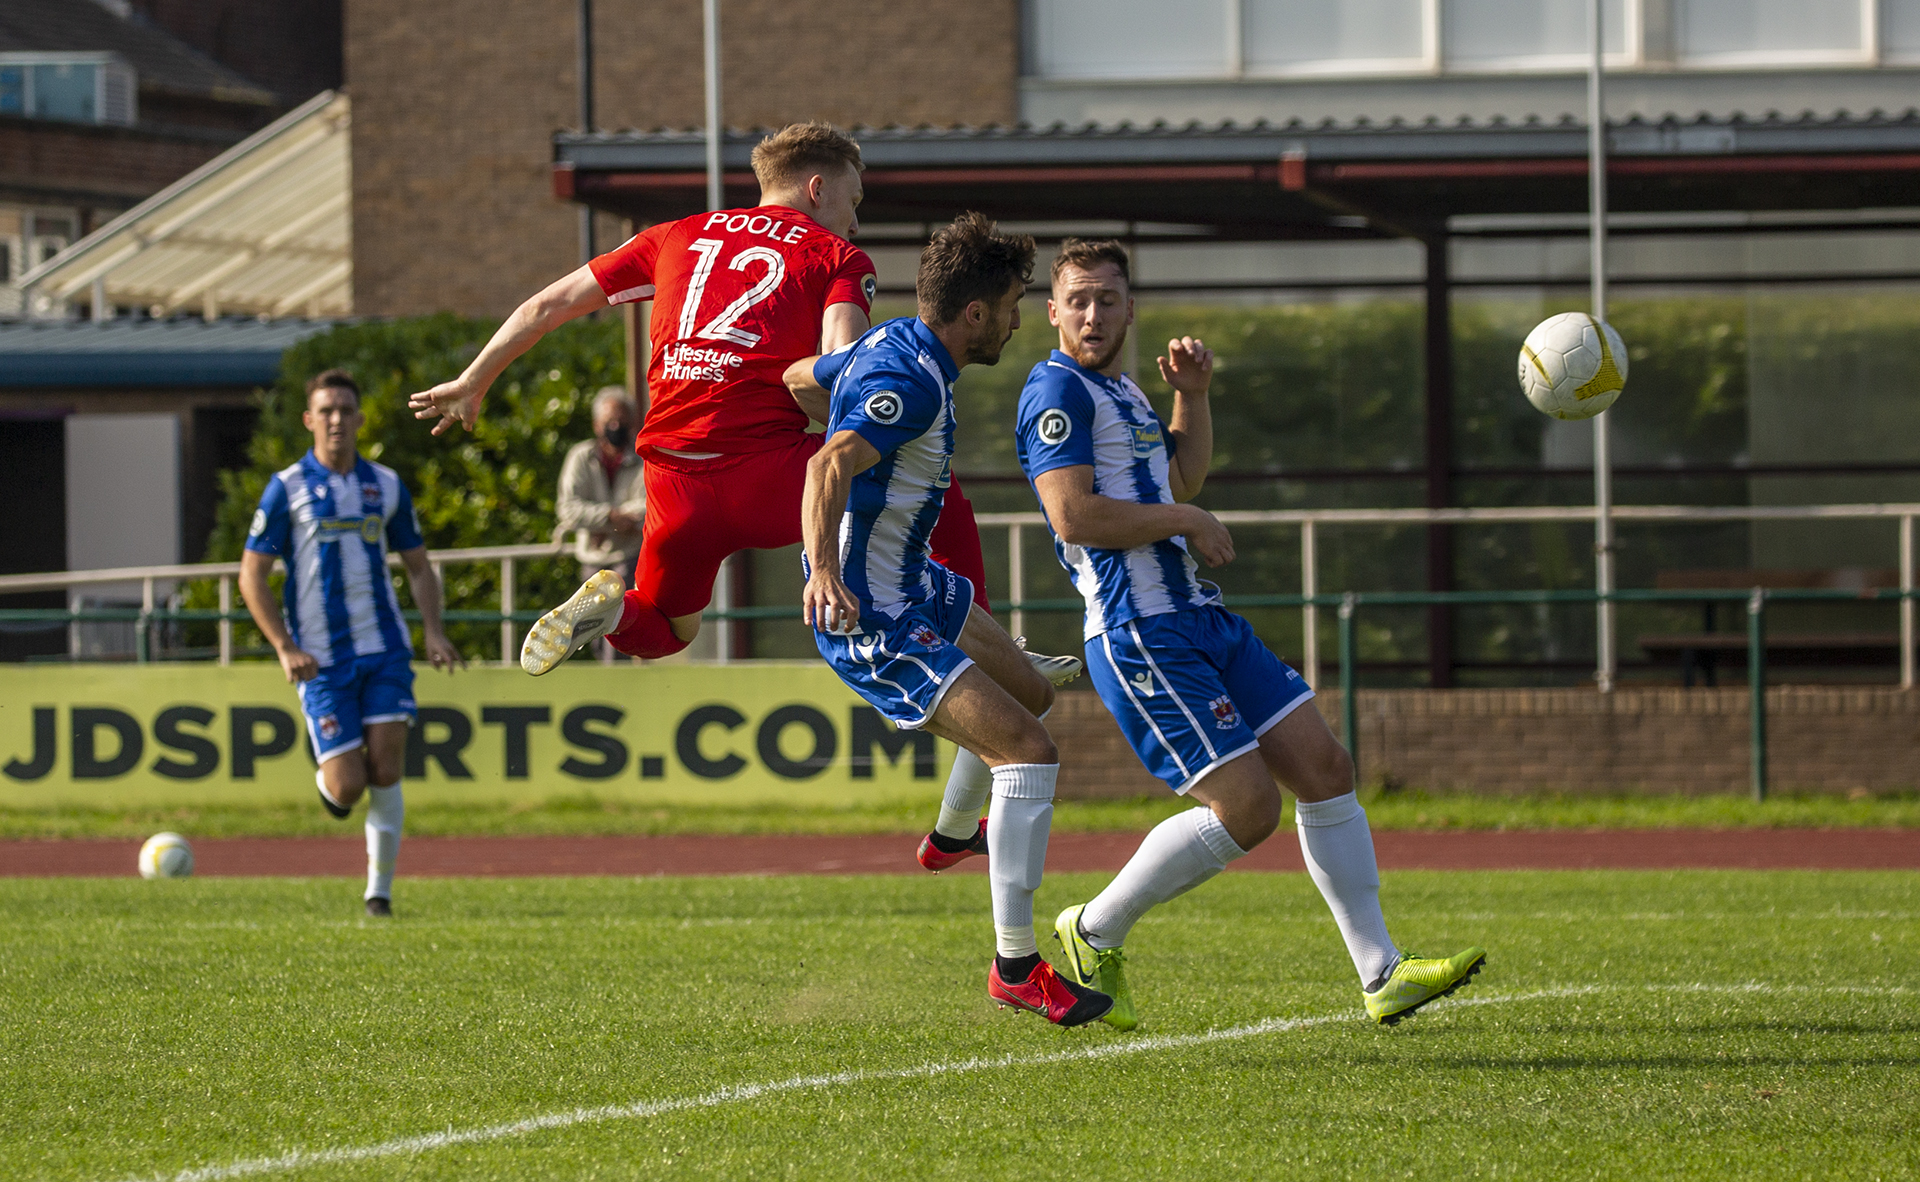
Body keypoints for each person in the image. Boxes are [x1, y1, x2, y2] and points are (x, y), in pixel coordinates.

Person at [1010, 239, 1486, 1030]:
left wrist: (1192, 398)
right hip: (1140, 631)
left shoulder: (1121, 392)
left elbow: (1181, 476)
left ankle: (1383, 972)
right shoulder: (1055, 392)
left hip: (1200, 616)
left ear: (1130, 309)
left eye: (1108, 300)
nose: (1094, 314)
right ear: (1053, 312)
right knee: (1248, 806)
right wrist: (1187, 520)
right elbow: (1074, 515)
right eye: (1079, 300)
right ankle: (1095, 928)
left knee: (1327, 768)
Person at [407, 122, 1071, 685]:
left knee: (664, 628)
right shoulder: (836, 255)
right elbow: (842, 374)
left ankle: (609, 612)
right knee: (935, 485)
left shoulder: (672, 236)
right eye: (854, 198)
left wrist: (474, 379)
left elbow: (549, 304)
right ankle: (997, 654)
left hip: (672, 482)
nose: (856, 216)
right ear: (818, 187)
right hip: (765, 470)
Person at [793, 213, 1110, 1028]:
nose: (1014, 319)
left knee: (1033, 695)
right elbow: (829, 463)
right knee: (1032, 753)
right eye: (1010, 305)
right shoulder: (921, 379)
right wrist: (825, 570)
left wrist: (833, 409)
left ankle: (951, 832)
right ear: (975, 314)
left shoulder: (892, 342)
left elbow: (803, 377)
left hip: (917, 582)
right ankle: (1016, 967)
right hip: (872, 611)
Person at [238, 369, 465, 917]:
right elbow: (252, 576)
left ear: (360, 419)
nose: (337, 419)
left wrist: (432, 631)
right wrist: (283, 645)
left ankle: (378, 895)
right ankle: (329, 773)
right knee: (347, 788)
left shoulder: (385, 485)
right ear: (309, 420)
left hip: (383, 649)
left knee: (387, 768)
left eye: (346, 409)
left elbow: (417, 567)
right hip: (321, 660)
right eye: (327, 410)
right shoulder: (286, 486)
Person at [556, 386, 647, 584]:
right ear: (597, 425)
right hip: (591, 561)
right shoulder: (580, 457)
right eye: (609, 422)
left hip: (633, 558)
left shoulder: (645, 456)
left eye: (622, 421)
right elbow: (567, 508)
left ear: (632, 423)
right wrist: (610, 517)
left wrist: (600, 521)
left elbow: (651, 505)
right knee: (592, 613)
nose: (616, 426)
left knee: (629, 612)